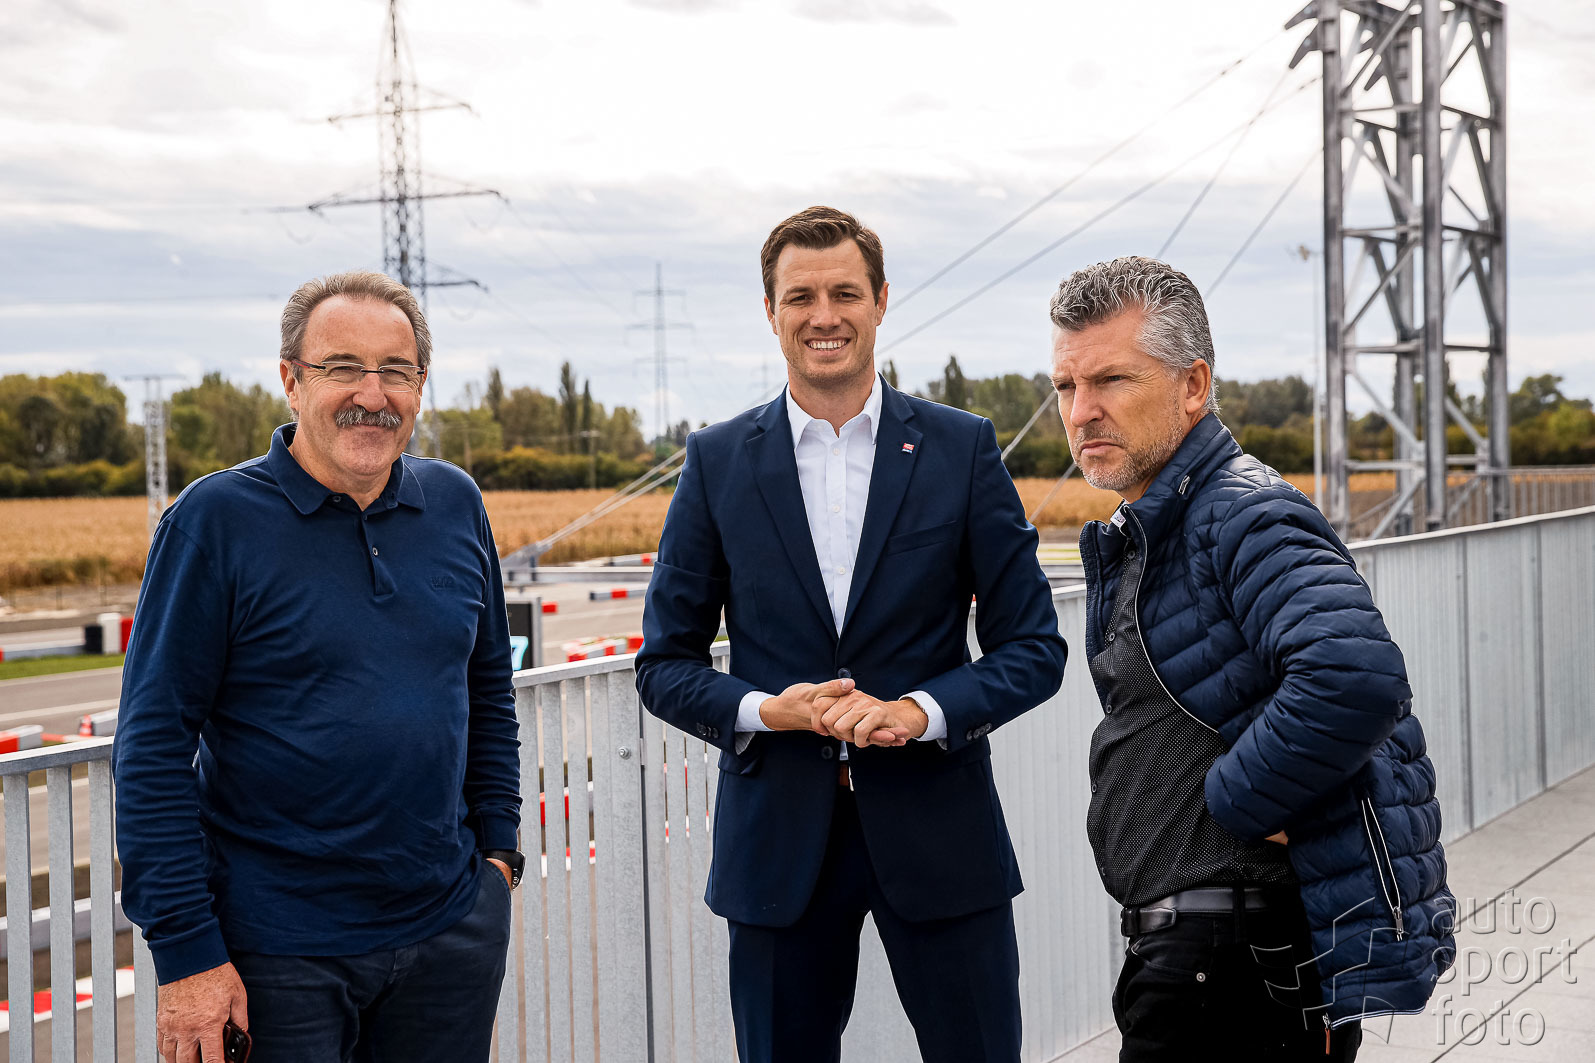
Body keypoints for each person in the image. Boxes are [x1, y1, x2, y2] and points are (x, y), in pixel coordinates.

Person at [635, 206, 1068, 1063]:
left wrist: (919, 710)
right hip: (776, 847)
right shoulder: (716, 462)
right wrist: (770, 710)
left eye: (843, 293)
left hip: (940, 832)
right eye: (800, 296)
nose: (822, 315)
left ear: (879, 301)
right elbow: (663, 665)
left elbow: (1034, 647)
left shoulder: (960, 448)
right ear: (770, 311)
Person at [1048, 256, 1454, 1061]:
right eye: (1065, 385)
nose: (1081, 410)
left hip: (1237, 966)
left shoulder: (1243, 512)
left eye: (1111, 379)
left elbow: (1353, 676)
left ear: (1192, 385)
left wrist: (1235, 799)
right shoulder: (1169, 522)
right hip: (1207, 958)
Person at [114, 270, 523, 1063]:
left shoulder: (455, 502)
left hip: (448, 932)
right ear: (292, 380)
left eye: (395, 370)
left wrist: (498, 856)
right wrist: (187, 952)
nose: (372, 394)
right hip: (276, 952)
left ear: (420, 385)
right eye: (342, 367)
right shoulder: (214, 522)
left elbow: (486, 689)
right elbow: (153, 747)